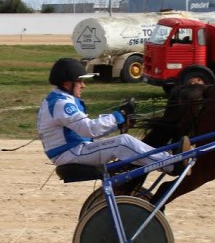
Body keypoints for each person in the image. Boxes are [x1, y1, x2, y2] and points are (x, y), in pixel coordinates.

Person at [37, 58, 190, 176]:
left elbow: (90, 129)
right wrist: (119, 116)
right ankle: (171, 165)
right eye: (80, 81)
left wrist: (118, 122)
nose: (84, 85)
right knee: (122, 143)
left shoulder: (59, 99)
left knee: (122, 143)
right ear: (67, 84)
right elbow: (90, 129)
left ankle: (165, 158)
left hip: (72, 151)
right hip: (70, 154)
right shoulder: (62, 103)